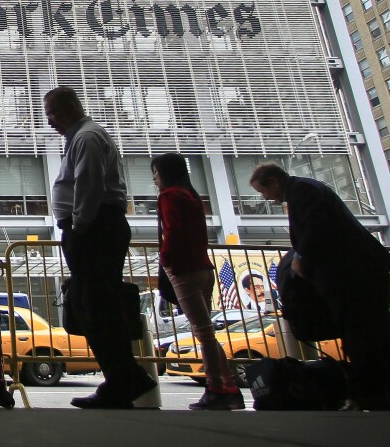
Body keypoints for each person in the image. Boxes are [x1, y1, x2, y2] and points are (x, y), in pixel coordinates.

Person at [44, 86, 156, 409]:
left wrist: (78, 226)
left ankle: (125, 380)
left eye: (51, 113)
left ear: (68, 108)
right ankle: (124, 378)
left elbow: (89, 184)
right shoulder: (81, 138)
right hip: (94, 228)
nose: (49, 121)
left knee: (95, 305)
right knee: (91, 303)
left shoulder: (87, 137)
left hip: (94, 230)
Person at [250, 162, 390, 411]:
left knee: (361, 336)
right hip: (358, 273)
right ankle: (371, 393)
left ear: (273, 181)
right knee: (366, 334)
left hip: (352, 275)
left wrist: (300, 258)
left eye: (264, 191)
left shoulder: (303, 191)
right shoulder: (306, 189)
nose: (266, 198)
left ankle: (370, 394)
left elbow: (317, 229)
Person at [151, 152, 244, 410]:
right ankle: (229, 386)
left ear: (166, 173)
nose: (155, 178)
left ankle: (216, 388)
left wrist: (166, 260)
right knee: (206, 332)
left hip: (184, 268)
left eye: (156, 172)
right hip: (202, 266)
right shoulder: (191, 196)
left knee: (203, 333)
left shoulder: (169, 196)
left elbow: (172, 231)